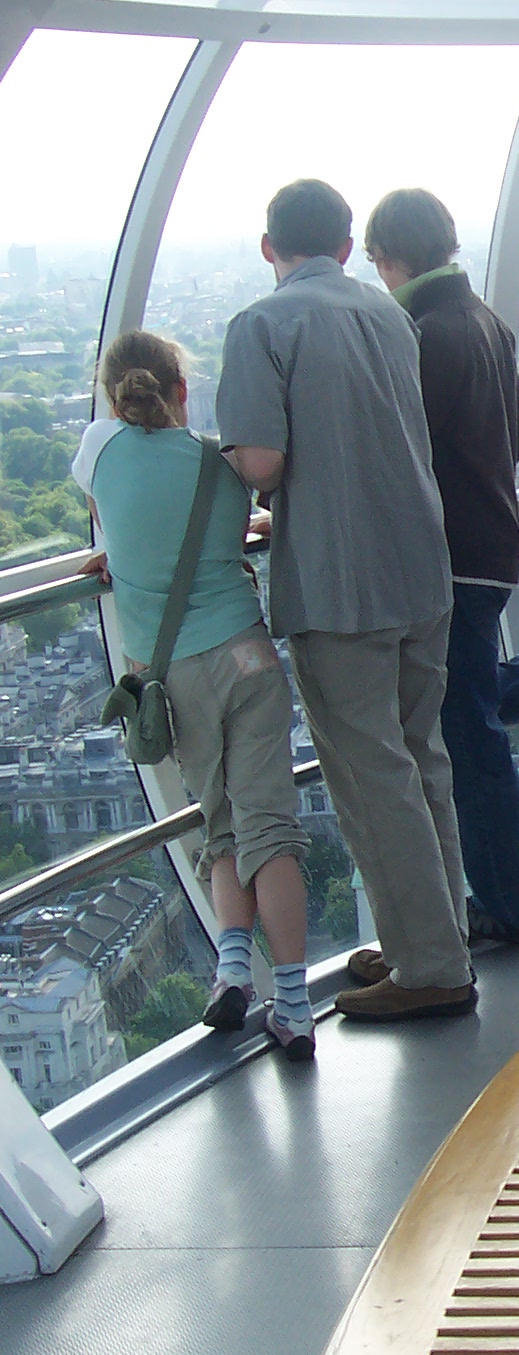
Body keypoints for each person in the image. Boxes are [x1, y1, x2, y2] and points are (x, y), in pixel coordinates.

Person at [217, 178, 475, 1021]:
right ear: (341, 246)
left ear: (270, 249)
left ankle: (432, 965)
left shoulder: (262, 325)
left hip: (339, 581)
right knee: (421, 761)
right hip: (420, 566)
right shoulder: (385, 313)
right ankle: (433, 940)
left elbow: (259, 460)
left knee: (372, 778)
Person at [73, 331, 315, 1060]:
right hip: (246, 653)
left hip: (173, 669)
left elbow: (130, 521)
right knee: (270, 828)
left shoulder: (98, 453)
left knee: (221, 827)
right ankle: (297, 1006)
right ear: (182, 389)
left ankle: (233, 970)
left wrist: (113, 556)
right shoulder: (219, 465)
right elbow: (224, 531)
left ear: (112, 394)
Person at [364, 186, 519, 948]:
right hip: (493, 545)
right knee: (470, 706)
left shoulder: (416, 333)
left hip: (445, 556)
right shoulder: (486, 321)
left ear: (389, 256)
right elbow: (515, 435)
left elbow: (396, 454)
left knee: (466, 731)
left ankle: (513, 902)